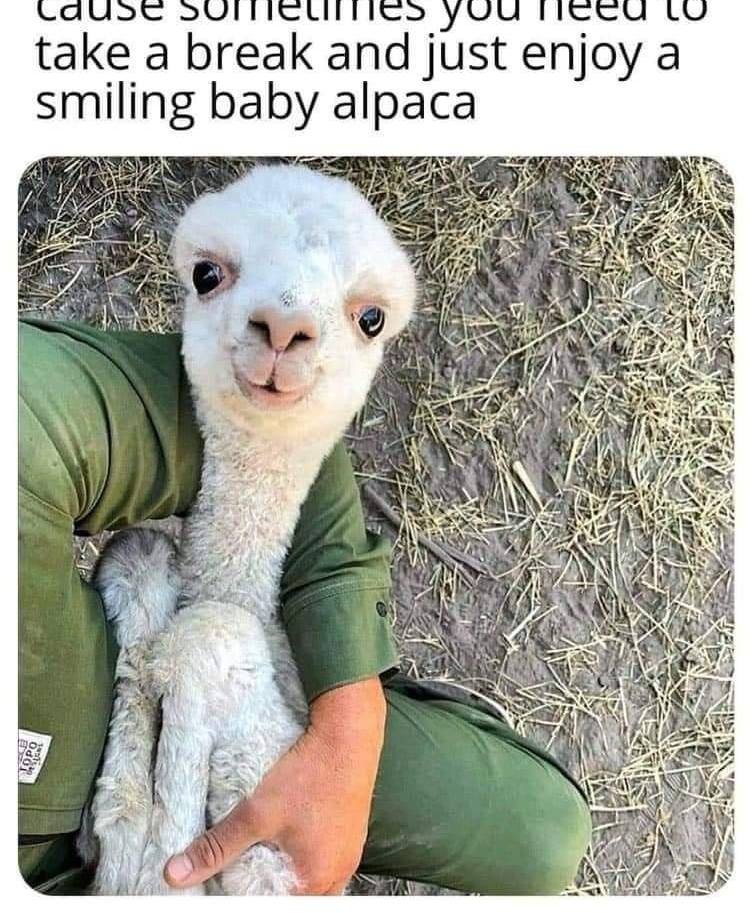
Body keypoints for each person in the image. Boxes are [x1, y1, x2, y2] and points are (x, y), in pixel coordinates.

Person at [18, 318, 591, 895]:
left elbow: (273, 428)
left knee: (541, 834)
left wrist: (347, 730)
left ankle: (304, 682)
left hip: (143, 672)